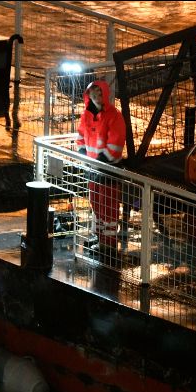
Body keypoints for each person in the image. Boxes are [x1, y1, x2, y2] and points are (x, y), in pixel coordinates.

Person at [76, 79, 126, 261]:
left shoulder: (114, 116)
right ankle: (99, 237)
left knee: (109, 207)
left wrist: (100, 161)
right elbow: (81, 136)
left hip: (108, 169)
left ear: (104, 95)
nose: (96, 97)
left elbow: (116, 142)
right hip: (94, 168)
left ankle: (108, 243)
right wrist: (83, 154)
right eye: (93, 93)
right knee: (96, 203)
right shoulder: (87, 115)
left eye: (99, 93)